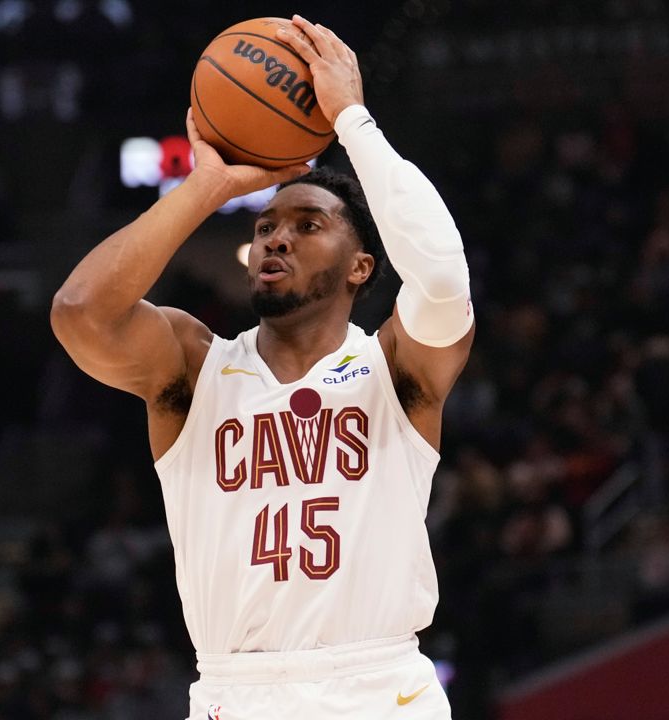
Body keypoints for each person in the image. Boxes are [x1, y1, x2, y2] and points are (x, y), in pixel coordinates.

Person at [51, 16, 473, 720]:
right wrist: (205, 188)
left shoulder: (397, 367)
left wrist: (352, 121)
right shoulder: (193, 366)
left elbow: (443, 280)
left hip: (378, 685)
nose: (278, 236)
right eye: (266, 226)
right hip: (234, 692)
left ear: (360, 267)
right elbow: (79, 313)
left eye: (308, 225)